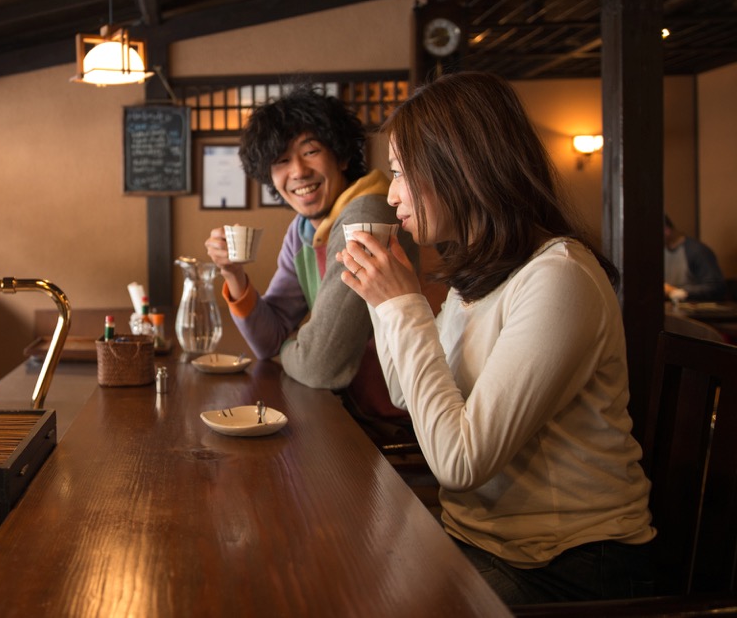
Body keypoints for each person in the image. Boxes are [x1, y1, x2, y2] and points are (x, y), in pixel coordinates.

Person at [340, 72, 655, 605]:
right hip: (479, 540)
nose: (392, 196)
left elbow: (461, 465)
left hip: (568, 564)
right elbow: (404, 395)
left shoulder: (558, 278)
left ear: (461, 167)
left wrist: (402, 304)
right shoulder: (483, 274)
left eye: (399, 173)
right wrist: (384, 303)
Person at [202, 85, 423, 398]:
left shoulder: (365, 218)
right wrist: (233, 273)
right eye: (281, 160)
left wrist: (293, 346)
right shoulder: (304, 228)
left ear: (342, 156)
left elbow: (319, 365)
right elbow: (268, 340)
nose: (299, 172)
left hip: (394, 415)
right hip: (349, 409)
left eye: (310, 152)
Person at [663, 214, 726, 302]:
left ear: (666, 230)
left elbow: (714, 287)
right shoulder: (662, 250)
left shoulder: (696, 251)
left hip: (694, 307)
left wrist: (675, 291)